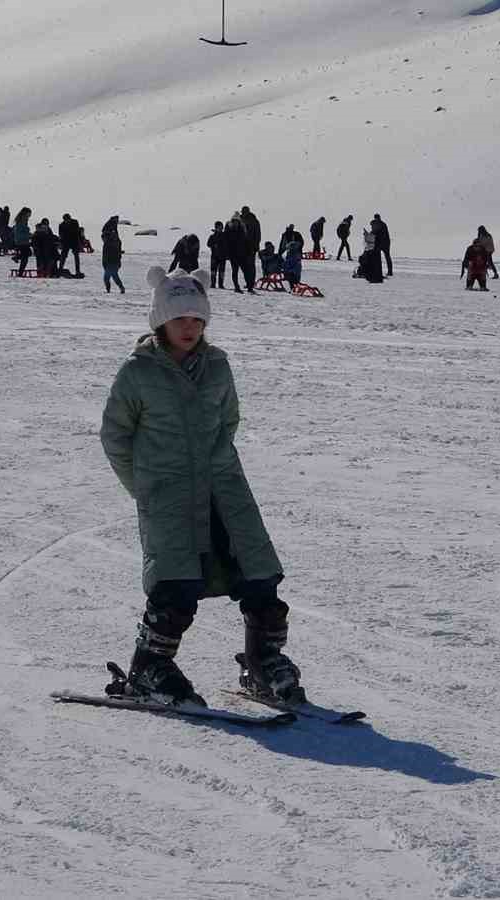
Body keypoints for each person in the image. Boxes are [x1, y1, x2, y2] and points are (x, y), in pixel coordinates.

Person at [99, 266, 300, 706]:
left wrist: (217, 464)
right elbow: (115, 436)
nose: (188, 328)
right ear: (159, 323)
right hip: (167, 495)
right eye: (178, 319)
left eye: (196, 319)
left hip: (225, 489)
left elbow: (228, 419)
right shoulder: (137, 372)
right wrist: (145, 488)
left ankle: (263, 661)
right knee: (175, 585)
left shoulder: (218, 365)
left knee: (259, 573)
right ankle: (149, 668)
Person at [224, 215, 251, 294]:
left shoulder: (242, 230)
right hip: (233, 255)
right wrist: (228, 254)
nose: (235, 223)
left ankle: (249, 286)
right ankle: (236, 286)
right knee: (235, 271)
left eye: (237, 221)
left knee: (245, 271)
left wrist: (248, 252)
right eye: (234, 221)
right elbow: (226, 243)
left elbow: (246, 242)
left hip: (242, 254)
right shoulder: (229, 230)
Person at [101, 215, 125, 293]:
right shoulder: (109, 242)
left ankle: (109, 290)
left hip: (113, 262)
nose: (102, 239)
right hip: (109, 262)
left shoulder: (111, 241)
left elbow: (115, 251)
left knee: (108, 277)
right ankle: (120, 288)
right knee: (114, 276)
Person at [240, 206, 262, 289]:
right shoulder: (240, 220)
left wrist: (256, 246)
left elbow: (257, 234)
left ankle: (251, 283)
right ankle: (248, 282)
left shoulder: (254, 221)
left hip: (251, 247)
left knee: (250, 266)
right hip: (242, 247)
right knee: (244, 266)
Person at [12, 207, 33, 276]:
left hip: (23, 241)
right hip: (21, 241)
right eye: (29, 213)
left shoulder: (23, 220)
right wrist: (29, 235)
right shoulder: (21, 221)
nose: (30, 215)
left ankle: (17, 257)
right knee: (26, 256)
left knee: (27, 255)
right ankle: (20, 272)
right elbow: (20, 233)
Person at [206, 221, 227, 289]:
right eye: (218, 227)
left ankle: (221, 284)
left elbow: (227, 245)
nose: (220, 229)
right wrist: (214, 245)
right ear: (216, 228)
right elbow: (208, 244)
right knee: (213, 271)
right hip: (214, 256)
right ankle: (213, 284)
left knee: (222, 271)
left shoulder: (224, 235)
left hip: (223, 256)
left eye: (221, 227)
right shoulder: (212, 236)